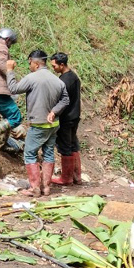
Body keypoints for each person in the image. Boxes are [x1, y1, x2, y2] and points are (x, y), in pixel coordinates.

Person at [6, 50, 70, 196]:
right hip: (53, 125)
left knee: (29, 153)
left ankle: (35, 188)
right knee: (48, 153)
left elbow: (13, 89)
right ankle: (46, 187)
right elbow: (65, 100)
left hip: (39, 124)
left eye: (29, 63)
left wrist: (10, 70)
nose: (29, 66)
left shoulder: (32, 78)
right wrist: (54, 112)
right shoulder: (57, 80)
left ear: (35, 63)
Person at [50, 52, 83, 186]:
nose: (53, 68)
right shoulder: (74, 77)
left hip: (66, 118)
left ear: (61, 64)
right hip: (75, 116)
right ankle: (77, 176)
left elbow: (62, 101)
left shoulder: (63, 81)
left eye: (54, 65)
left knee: (65, 147)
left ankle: (66, 178)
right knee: (73, 145)